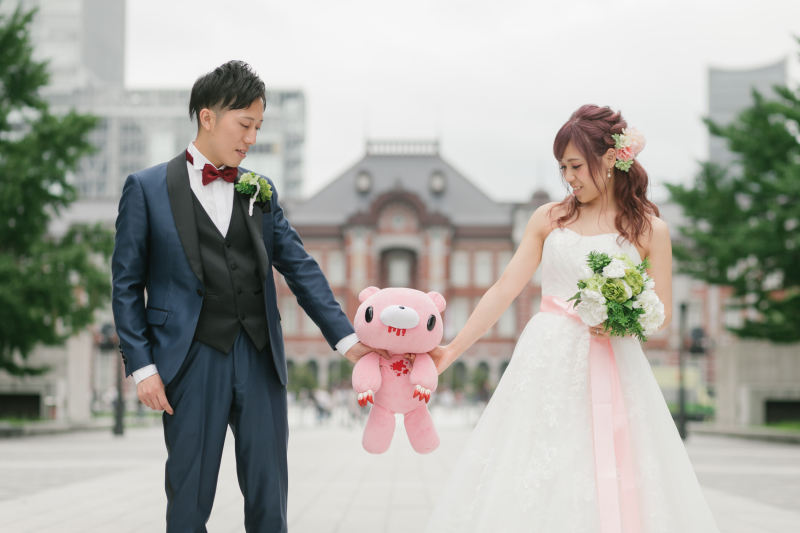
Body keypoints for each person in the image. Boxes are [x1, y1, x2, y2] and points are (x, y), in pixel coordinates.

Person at [111, 60, 386, 533]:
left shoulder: (259, 190)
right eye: (245, 124)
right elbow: (126, 285)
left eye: (259, 127)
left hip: (260, 358)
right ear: (207, 117)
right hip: (189, 360)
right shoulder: (146, 188)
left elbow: (300, 267)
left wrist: (345, 339)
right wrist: (143, 367)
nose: (252, 138)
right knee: (189, 497)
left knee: (268, 495)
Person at [425, 105, 720, 532]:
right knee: (539, 463)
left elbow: (663, 312)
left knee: (615, 464)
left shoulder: (651, 230)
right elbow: (504, 289)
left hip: (615, 362)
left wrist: (625, 320)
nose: (570, 177)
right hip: (546, 360)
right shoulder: (549, 218)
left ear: (611, 159)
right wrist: (450, 350)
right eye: (563, 167)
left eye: (577, 165)